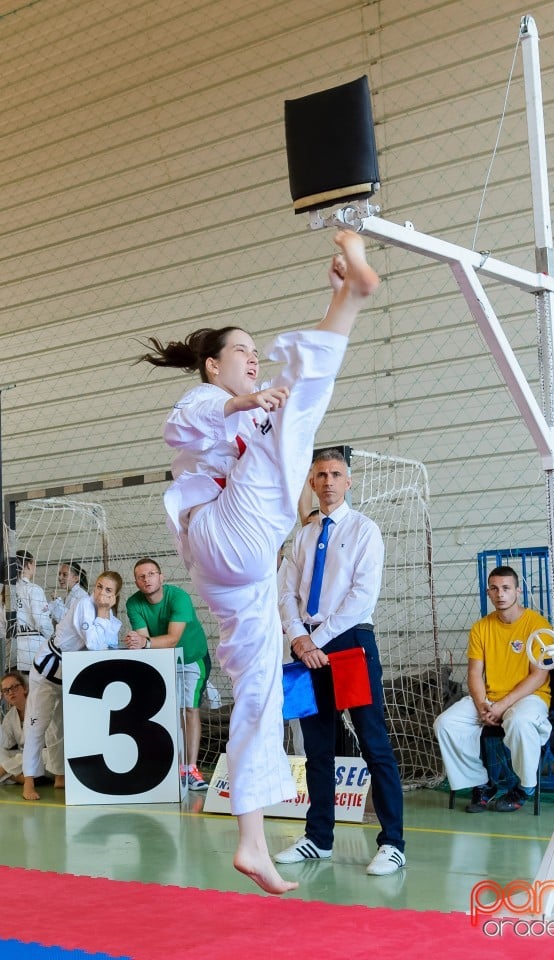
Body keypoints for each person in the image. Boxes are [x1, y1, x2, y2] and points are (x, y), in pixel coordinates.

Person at [140, 230, 379, 894]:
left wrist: (330, 304)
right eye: (240, 353)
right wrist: (237, 403)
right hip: (222, 533)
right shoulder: (212, 405)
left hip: (238, 569)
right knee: (292, 410)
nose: (251, 359)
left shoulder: (256, 415)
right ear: (214, 367)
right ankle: (353, 303)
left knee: (259, 694)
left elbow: (283, 394)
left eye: (253, 352)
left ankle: (251, 842)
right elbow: (183, 423)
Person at [276, 448, 405, 876]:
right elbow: (286, 593)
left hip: (349, 642)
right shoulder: (303, 537)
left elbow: (360, 599)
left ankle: (392, 843)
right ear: (311, 483)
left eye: (335, 474)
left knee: (373, 742)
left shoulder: (365, 530)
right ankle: (318, 838)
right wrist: (298, 637)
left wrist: (316, 640)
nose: (328, 481)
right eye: (320, 475)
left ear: (348, 482)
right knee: (316, 747)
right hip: (304, 646)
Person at [434, 565, 552, 812]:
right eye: (495, 588)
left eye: (506, 588)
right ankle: (481, 782)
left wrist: (500, 706)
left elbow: (538, 676)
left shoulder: (538, 625)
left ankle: (525, 788)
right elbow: (474, 674)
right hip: (489, 698)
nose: (500, 594)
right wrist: (482, 706)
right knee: (446, 723)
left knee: (520, 722)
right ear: (488, 592)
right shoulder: (481, 627)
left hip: (529, 697)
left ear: (518, 591)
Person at [22, 571, 122, 801]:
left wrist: (106, 613)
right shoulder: (83, 605)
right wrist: (103, 611)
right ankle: (29, 781)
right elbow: (96, 645)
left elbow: (109, 648)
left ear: (115, 596)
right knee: (37, 723)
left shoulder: (114, 621)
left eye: (108, 590)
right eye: (99, 586)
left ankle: (59, 775)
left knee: (60, 726)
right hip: (47, 671)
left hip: (73, 674)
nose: (101, 593)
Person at [124, 557, 212, 791]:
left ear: (161, 577)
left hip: (192, 658)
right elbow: (143, 641)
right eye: (141, 576)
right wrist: (140, 642)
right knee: (164, 713)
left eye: (151, 574)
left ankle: (190, 769)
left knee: (190, 709)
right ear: (136, 582)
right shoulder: (133, 603)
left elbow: (172, 638)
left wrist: (144, 642)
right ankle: (167, 766)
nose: (147, 579)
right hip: (162, 660)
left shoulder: (179, 597)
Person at [11, 550, 54, 672]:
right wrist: (54, 638)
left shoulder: (7, 592)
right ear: (29, 565)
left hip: (13, 652)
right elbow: (42, 622)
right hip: (34, 651)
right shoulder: (33, 589)